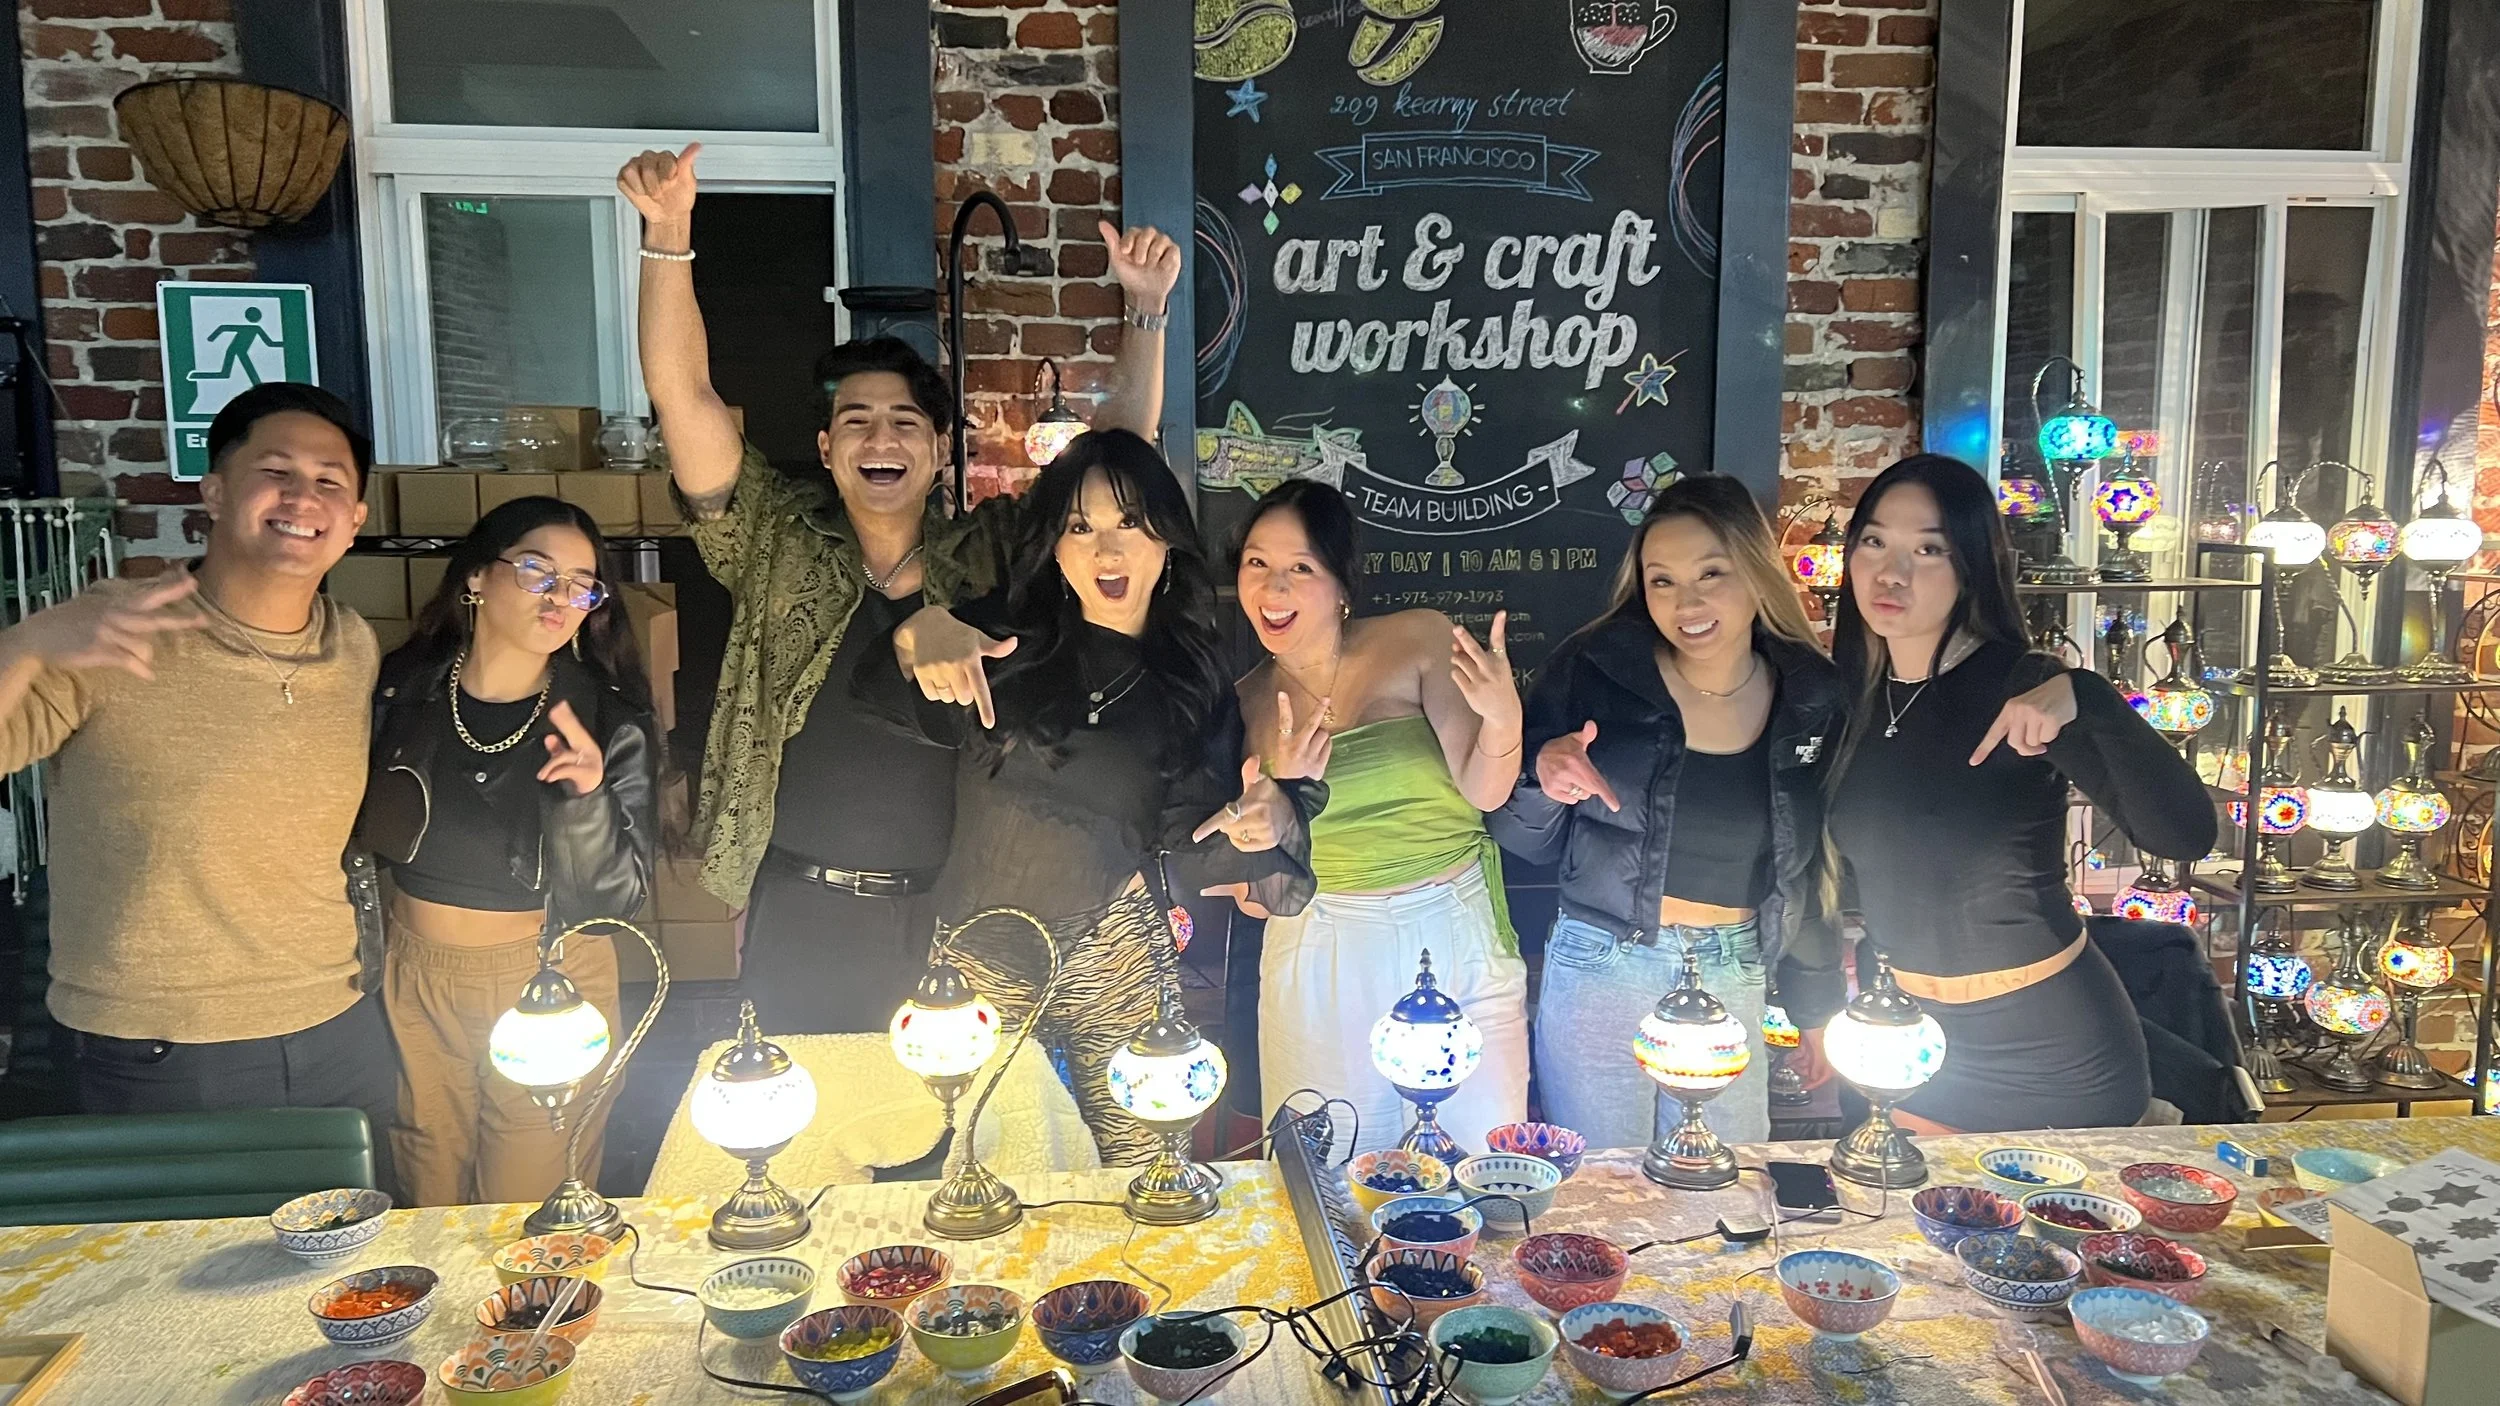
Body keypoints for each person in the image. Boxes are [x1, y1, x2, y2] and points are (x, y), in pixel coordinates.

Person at [618, 143, 1181, 1034]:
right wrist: (667, 237)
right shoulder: (771, 534)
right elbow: (681, 391)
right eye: (857, 421)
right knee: (801, 1141)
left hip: (955, 916)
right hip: (798, 907)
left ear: (936, 447)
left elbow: (1115, 469)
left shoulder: (992, 551)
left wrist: (1144, 312)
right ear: (828, 446)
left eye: (905, 422)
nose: (881, 438)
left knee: (949, 1146)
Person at [866, 430, 1325, 1162]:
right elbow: (880, 701)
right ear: (1053, 543)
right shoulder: (1001, 637)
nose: (1105, 552)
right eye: (1080, 527)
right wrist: (915, 633)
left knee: (1142, 1181)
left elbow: (1193, 840)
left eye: (1129, 524)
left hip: (1118, 952)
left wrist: (1266, 819)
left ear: (1167, 539)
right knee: (980, 1175)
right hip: (980, 954)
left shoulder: (1194, 674)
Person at [0, 383, 399, 1186]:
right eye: (275, 471)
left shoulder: (354, 647)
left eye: (330, 482)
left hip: (338, 1025)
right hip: (165, 1046)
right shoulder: (111, 629)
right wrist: (28, 640)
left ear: (354, 520)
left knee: (349, 1287)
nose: (302, 498)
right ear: (214, 490)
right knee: (183, 1296)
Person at [1826, 454, 2213, 1133]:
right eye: (1875, 542)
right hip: (1908, 1042)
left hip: (2051, 1050)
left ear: (1972, 566)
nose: (1892, 574)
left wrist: (2085, 696)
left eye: (1929, 550)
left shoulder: (2025, 687)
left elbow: (2184, 836)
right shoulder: (1847, 697)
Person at [1491, 475, 1848, 1150]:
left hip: (1735, 967)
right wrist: (1541, 778)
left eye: (1711, 573)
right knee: (1606, 1193)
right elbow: (1518, 839)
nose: (1688, 603)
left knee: (1730, 1189)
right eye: (1662, 581)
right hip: (1602, 960)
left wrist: (1817, 1006)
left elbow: (1809, 864)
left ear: (1754, 569)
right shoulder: (1596, 669)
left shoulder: (1811, 692)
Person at [354, 497, 657, 1207]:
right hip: (412, 975)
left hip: (549, 981)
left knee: (531, 1207)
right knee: (423, 1194)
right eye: (535, 570)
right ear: (476, 579)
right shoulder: (400, 689)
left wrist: (585, 800)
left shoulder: (607, 718)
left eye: (581, 584)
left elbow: (614, 902)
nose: (560, 597)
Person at [1226, 480, 1528, 1153]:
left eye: (1300, 567)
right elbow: (1256, 900)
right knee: (1329, 1174)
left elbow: (1484, 790)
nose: (1273, 587)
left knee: (1478, 1167)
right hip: (1320, 944)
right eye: (1256, 563)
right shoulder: (1242, 705)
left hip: (1453, 927)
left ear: (1341, 584)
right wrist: (1266, 837)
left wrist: (1504, 718)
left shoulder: (1416, 637)